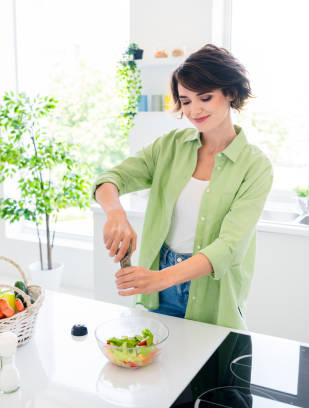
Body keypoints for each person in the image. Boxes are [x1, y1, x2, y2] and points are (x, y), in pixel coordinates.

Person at [92, 44, 273, 330]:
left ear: (230, 93)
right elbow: (110, 179)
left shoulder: (254, 166)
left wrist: (158, 279)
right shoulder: (171, 147)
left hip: (212, 293)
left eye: (205, 97)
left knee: (210, 370)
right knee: (152, 365)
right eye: (185, 101)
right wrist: (115, 214)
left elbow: (229, 247)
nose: (194, 110)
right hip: (158, 287)